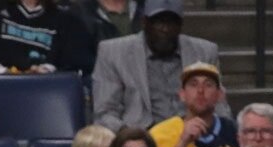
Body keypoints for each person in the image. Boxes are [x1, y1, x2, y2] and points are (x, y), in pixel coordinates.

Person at [91, 0, 223, 132]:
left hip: (194, 135)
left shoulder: (204, 52)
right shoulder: (113, 53)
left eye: (171, 22)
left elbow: (219, 105)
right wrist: (130, 137)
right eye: (158, 22)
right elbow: (104, 114)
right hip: (139, 137)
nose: (165, 29)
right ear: (144, 22)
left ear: (181, 25)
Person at [149, 60, 235, 147]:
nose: (200, 91)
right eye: (193, 85)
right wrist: (182, 143)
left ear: (220, 95)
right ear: (182, 94)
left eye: (208, 85)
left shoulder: (233, 130)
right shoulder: (162, 132)